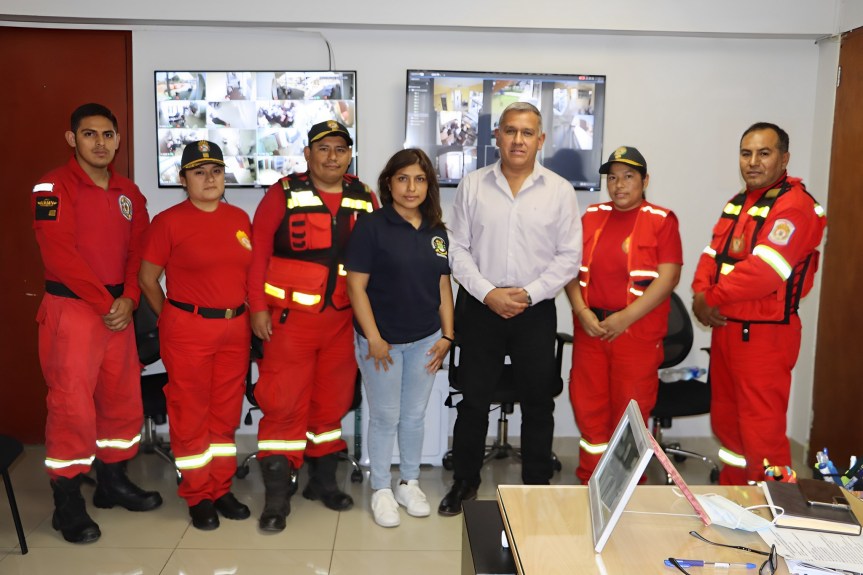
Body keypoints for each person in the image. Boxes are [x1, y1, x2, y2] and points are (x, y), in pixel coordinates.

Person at [439, 102, 582, 516]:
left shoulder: (559, 190)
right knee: (473, 399)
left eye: (527, 133)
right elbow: (458, 250)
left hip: (534, 310)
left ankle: (536, 484)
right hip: (482, 307)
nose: (518, 140)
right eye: (510, 131)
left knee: (538, 400)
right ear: (497, 136)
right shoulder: (472, 185)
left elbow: (568, 257)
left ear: (541, 140)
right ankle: (465, 481)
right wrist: (488, 294)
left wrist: (529, 294)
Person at [31, 103, 162, 544]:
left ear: (118, 139)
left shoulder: (129, 191)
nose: (100, 143)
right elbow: (58, 253)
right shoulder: (52, 187)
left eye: (108, 135)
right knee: (71, 408)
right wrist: (108, 301)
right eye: (89, 135)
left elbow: (138, 250)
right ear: (73, 139)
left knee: (120, 399)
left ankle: (113, 483)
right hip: (73, 312)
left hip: (117, 312)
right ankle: (67, 504)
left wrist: (127, 298)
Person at [249, 120, 377, 532]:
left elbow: (379, 259)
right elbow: (257, 256)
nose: (332, 156)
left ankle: (322, 483)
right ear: (307, 154)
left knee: (331, 404)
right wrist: (257, 309)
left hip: (341, 323)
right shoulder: (282, 193)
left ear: (349, 155)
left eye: (340, 148)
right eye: (323, 148)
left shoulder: (364, 197)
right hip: (289, 324)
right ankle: (276, 498)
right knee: (283, 405)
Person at [692, 122, 826, 485]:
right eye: (746, 153)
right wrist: (700, 292)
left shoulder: (795, 206)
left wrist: (710, 299)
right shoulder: (739, 203)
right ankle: (734, 500)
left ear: (784, 159)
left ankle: (776, 515)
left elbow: (765, 271)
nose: (752, 162)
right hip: (727, 331)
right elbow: (712, 255)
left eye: (763, 153)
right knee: (729, 428)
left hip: (764, 338)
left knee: (762, 435)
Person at [138, 141, 253, 530]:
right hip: (188, 328)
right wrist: (170, 313)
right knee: (190, 413)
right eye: (199, 172)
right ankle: (198, 493)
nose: (209, 179)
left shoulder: (239, 218)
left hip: (234, 327)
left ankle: (221, 488)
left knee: (225, 413)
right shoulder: (168, 222)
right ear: (183, 179)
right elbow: (147, 279)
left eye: (216, 171)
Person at [345, 149, 454, 528]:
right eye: (403, 178)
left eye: (420, 179)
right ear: (388, 183)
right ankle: (381, 489)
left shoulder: (436, 230)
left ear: (429, 186)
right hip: (382, 343)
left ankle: (409, 482)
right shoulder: (371, 226)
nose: (412, 187)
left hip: (426, 339)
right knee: (385, 416)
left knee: (413, 416)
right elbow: (355, 287)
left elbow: (443, 285)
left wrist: (448, 336)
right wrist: (373, 338)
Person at [564, 146, 682, 483]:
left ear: (645, 181)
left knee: (629, 414)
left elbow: (668, 277)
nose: (619, 185)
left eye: (628, 176)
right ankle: (591, 481)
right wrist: (582, 310)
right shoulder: (591, 216)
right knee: (589, 410)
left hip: (635, 336)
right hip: (591, 331)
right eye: (612, 177)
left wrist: (625, 318)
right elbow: (568, 270)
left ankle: (629, 489)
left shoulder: (661, 220)